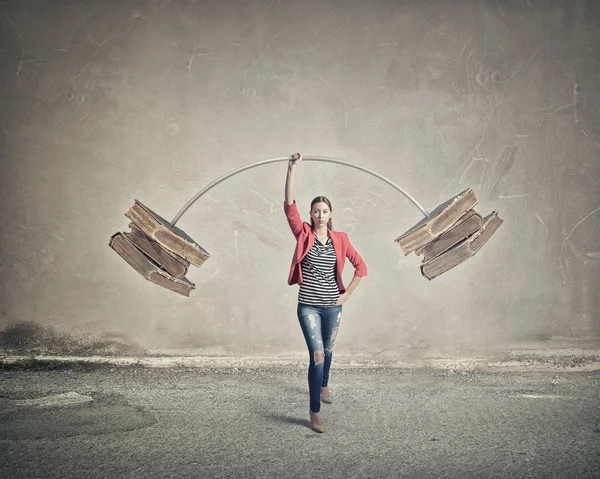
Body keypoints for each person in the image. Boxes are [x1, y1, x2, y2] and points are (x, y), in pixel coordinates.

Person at [283, 152, 368, 433]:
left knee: (329, 351)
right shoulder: (303, 234)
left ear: (331, 215)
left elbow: (362, 267)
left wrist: (346, 296)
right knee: (317, 355)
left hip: (333, 305)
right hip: (308, 305)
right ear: (311, 214)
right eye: (316, 211)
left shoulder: (340, 239)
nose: (320, 215)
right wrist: (292, 169)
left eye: (325, 211)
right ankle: (314, 410)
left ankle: (324, 383)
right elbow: (289, 206)